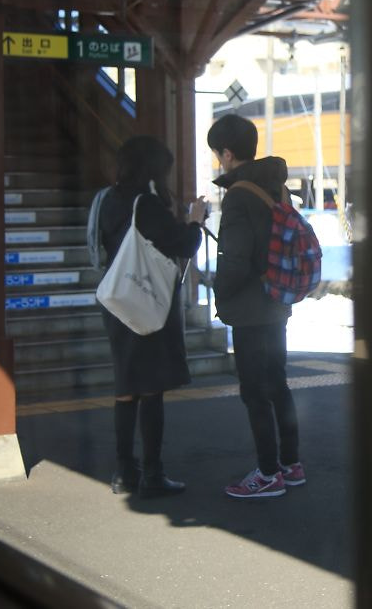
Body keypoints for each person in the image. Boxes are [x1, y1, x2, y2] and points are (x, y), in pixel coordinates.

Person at [99, 135, 207, 497]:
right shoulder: (146, 204)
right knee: (150, 389)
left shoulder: (107, 200)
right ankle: (153, 473)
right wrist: (194, 220)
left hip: (117, 301)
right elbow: (183, 244)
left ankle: (123, 472)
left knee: (125, 388)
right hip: (146, 301)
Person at [207, 114, 305, 499]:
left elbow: (235, 259)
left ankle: (267, 473)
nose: (219, 161)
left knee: (254, 391)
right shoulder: (277, 188)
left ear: (227, 153)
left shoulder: (239, 196)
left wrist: (220, 292)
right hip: (278, 301)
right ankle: (291, 463)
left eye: (217, 154)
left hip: (249, 309)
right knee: (277, 383)